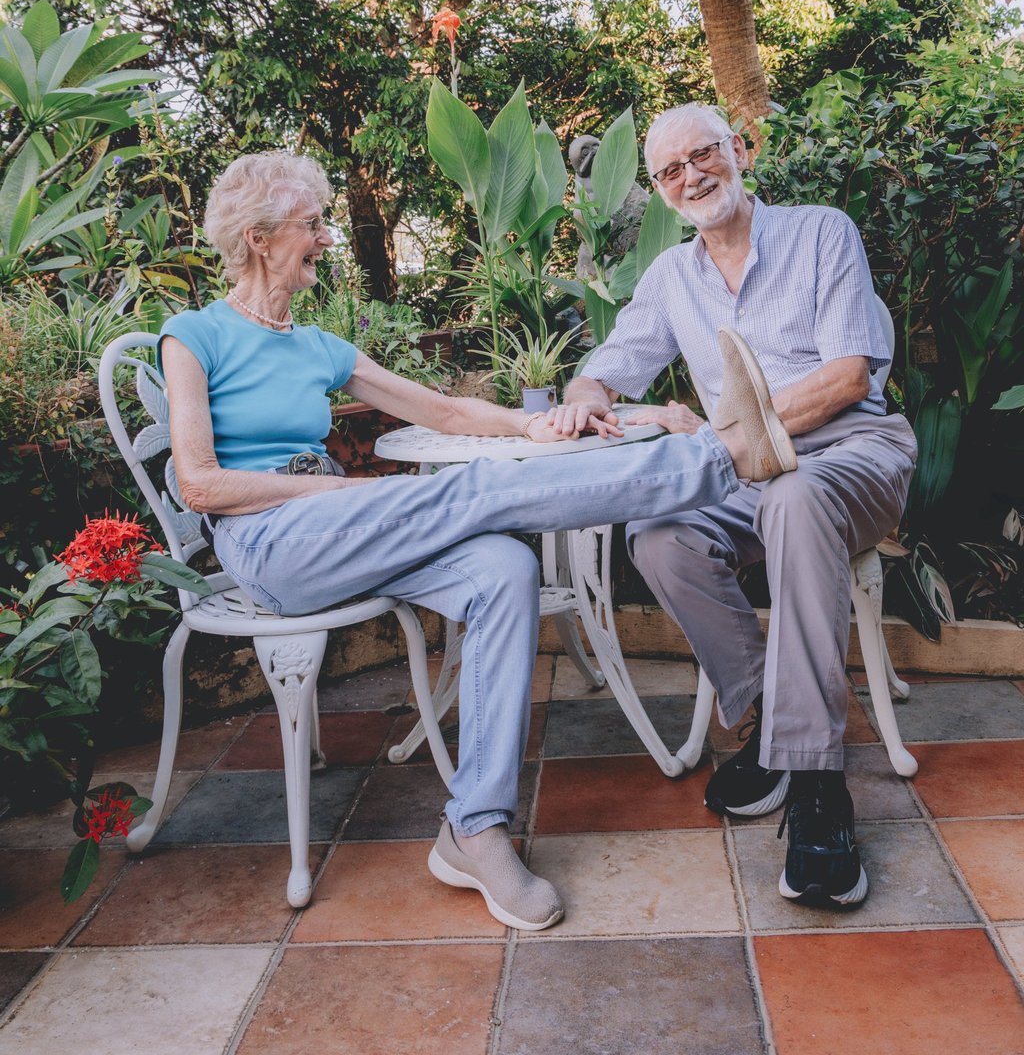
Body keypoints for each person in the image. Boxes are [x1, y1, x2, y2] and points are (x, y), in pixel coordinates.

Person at [160, 150, 796, 933]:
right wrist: (339, 490)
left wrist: (535, 423)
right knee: (468, 496)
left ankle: (474, 827)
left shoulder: (315, 343)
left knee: (503, 564)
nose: (325, 238)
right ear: (259, 237)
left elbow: (448, 413)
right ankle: (720, 457)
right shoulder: (193, 336)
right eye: (314, 224)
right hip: (268, 544)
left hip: (345, 527)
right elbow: (200, 485)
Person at [553, 103, 917, 911]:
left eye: (703, 154)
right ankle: (769, 723)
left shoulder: (822, 232)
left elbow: (847, 377)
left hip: (850, 452)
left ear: (739, 151)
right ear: (659, 190)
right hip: (742, 467)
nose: (692, 176)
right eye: (671, 170)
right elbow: (611, 364)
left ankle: (820, 788)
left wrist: (716, 435)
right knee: (660, 536)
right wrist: (585, 397)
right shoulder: (671, 278)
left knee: (792, 498)